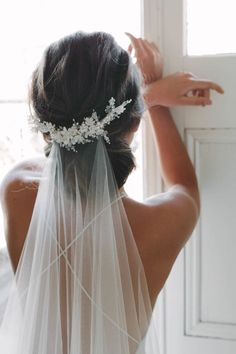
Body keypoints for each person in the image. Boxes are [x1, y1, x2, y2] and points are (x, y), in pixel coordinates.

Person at [0, 31, 223, 354]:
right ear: (134, 125)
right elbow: (184, 184)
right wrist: (154, 101)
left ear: (46, 128)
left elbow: (69, 146)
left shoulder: (16, 189)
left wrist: (146, 97)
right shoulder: (161, 225)